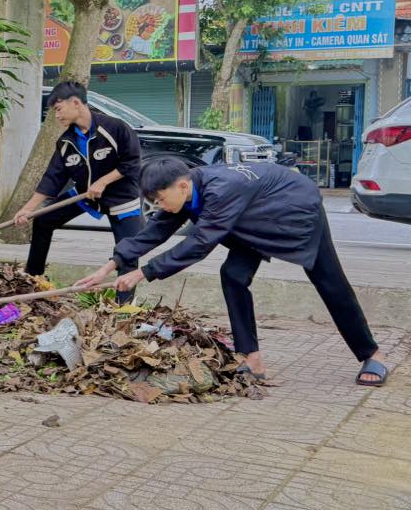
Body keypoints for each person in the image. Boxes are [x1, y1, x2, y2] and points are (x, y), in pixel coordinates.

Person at [78, 156, 388, 387]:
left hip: (295, 211)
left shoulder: (221, 191)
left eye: (160, 199)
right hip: (249, 221)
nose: (159, 206)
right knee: (234, 276)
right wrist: (110, 266)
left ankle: (372, 354)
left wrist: (142, 273)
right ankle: (251, 359)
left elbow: (199, 244)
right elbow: (153, 232)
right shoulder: (186, 193)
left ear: (182, 186)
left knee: (329, 281)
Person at [14, 80, 143, 304]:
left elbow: (131, 163)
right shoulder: (66, 142)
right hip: (86, 197)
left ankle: (124, 307)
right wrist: (27, 210)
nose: (56, 115)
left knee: (127, 252)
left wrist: (103, 181)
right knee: (43, 220)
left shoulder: (115, 128)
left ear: (76, 103)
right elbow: (52, 179)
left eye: (58, 109)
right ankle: (34, 279)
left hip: (123, 201)